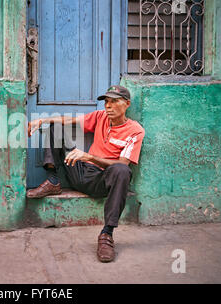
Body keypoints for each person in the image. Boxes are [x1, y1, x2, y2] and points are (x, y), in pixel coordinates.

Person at [27, 85, 145, 263]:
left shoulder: (135, 131)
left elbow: (122, 163)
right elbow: (69, 120)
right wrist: (42, 121)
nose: (108, 106)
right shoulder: (100, 117)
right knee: (56, 127)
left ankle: (107, 235)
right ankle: (53, 181)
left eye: (114, 101)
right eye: (106, 102)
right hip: (81, 173)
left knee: (122, 170)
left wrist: (89, 156)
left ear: (127, 104)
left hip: (102, 181)